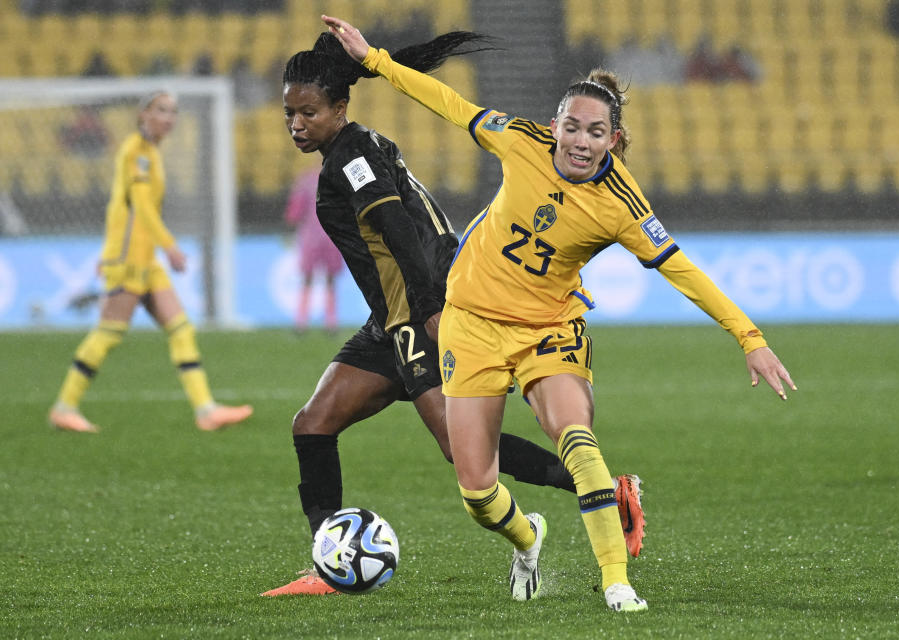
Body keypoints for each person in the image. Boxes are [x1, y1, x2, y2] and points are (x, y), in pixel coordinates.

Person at [325, 14, 797, 613]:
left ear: (614, 140)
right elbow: (448, 101)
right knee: (476, 491)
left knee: (576, 437)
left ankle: (616, 582)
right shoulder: (521, 140)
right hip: (470, 324)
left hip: (549, 331)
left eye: (595, 132)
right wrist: (375, 60)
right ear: (555, 127)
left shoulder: (622, 203)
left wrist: (748, 336)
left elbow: (682, 270)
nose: (580, 141)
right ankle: (528, 539)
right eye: (571, 127)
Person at [260, 30, 645, 597]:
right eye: (289, 113)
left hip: (420, 309)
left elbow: (397, 230)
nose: (296, 123)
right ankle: (328, 561)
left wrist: (430, 307)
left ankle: (608, 493)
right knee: (312, 425)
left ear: (338, 108)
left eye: (307, 112)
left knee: (463, 451)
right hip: (389, 319)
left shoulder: (354, 156)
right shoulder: (350, 150)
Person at [48, 91, 253, 434]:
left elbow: (122, 208)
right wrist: (170, 246)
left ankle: (205, 410)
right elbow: (140, 207)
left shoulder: (150, 152)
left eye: (173, 112)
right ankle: (64, 406)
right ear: (143, 114)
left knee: (181, 329)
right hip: (128, 259)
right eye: (161, 110)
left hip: (146, 260)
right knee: (109, 333)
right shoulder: (136, 152)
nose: (168, 118)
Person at [283, 163, 345, 332]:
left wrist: (290, 228)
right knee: (330, 279)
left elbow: (294, 212)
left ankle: (301, 322)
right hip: (332, 235)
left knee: (307, 278)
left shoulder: (305, 181)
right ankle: (331, 322)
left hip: (311, 235)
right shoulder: (338, 180)